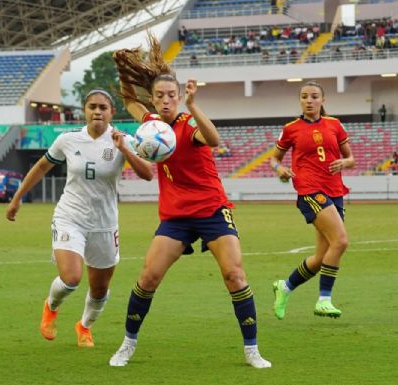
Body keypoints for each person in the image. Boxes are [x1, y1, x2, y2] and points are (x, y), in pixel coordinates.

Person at [108, 34, 271, 369]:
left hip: (212, 209)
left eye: (172, 95)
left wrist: (195, 107)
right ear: (153, 99)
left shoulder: (187, 126)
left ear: (180, 97)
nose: (166, 100)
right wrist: (123, 68)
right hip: (176, 216)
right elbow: (127, 100)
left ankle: (252, 349)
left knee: (234, 275)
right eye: (159, 96)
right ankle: (127, 343)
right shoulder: (151, 126)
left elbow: (213, 139)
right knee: (148, 277)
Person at [5, 90, 153, 348]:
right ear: (84, 111)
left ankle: (84, 326)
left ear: (111, 112)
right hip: (70, 216)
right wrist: (18, 197)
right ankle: (51, 307)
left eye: (103, 107)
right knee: (71, 277)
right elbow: (41, 166)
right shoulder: (68, 139)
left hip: (105, 223)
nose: (97, 112)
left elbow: (148, 174)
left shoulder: (124, 140)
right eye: (92, 107)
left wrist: (125, 150)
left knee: (99, 289)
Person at [270, 80, 355, 320]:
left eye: (314, 96)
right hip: (309, 190)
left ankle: (284, 287)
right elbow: (275, 159)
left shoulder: (334, 125)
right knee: (341, 241)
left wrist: (344, 162)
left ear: (322, 100)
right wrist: (279, 170)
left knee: (320, 258)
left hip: (335, 190)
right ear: (300, 100)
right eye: (305, 96)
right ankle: (324, 300)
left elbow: (351, 158)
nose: (309, 100)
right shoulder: (291, 128)